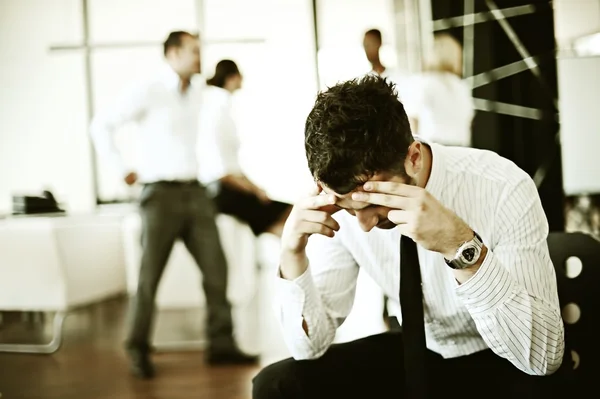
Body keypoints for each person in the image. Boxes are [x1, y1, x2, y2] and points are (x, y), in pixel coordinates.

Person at [252, 75, 569, 398]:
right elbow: (309, 348)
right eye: (349, 209)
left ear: (413, 157)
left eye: (375, 202)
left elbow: (543, 358)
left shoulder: (502, 185)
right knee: (277, 385)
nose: (363, 224)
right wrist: (292, 253)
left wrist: (461, 246)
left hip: (498, 355)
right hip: (417, 351)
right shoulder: (341, 199)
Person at [90, 31, 256, 379]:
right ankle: (137, 348)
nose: (200, 58)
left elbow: (219, 124)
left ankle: (221, 345)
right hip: (159, 195)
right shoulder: (148, 89)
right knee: (149, 278)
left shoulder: (198, 92)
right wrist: (123, 171)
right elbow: (101, 126)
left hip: (196, 193)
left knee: (217, 269)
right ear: (173, 53)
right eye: (194, 51)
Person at [198, 59, 292, 237]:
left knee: (280, 219)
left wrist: (254, 187)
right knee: (289, 214)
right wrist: (255, 190)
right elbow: (224, 172)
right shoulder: (218, 109)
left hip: (224, 187)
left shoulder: (216, 107)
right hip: (222, 192)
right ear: (232, 78)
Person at [400, 33, 474, 147]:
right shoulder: (462, 86)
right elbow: (468, 122)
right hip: (461, 148)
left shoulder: (421, 81)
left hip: (432, 148)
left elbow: (412, 120)